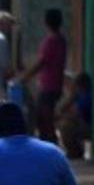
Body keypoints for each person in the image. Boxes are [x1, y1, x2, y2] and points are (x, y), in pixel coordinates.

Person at [17, 10, 68, 144]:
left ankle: (49, 146)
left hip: (48, 86)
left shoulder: (51, 41)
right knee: (46, 119)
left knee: (44, 120)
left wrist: (24, 77)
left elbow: (42, 62)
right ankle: (49, 144)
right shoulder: (61, 40)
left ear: (46, 23)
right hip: (56, 84)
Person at [56, 73, 93, 159]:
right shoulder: (80, 96)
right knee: (66, 123)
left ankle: (75, 152)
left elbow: (75, 114)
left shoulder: (86, 96)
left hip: (90, 128)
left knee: (66, 126)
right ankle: (76, 151)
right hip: (85, 125)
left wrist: (60, 116)